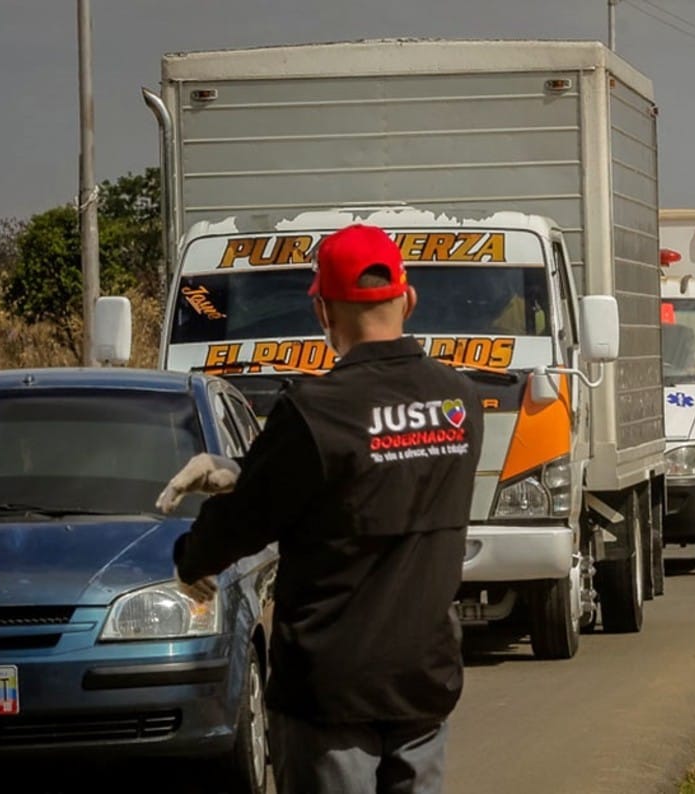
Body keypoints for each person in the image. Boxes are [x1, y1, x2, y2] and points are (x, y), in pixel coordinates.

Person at [158, 223, 484, 794]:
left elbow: (252, 517)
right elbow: (374, 481)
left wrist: (193, 557)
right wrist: (242, 469)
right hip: (423, 677)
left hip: (332, 686)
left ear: (322, 313)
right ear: (408, 298)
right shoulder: (458, 400)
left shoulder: (316, 411)